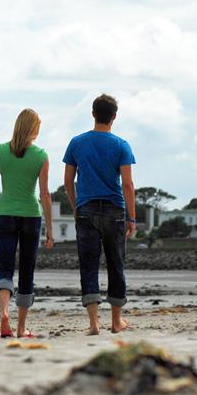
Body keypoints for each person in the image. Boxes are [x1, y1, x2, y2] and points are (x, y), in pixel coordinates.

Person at [63, 93, 136, 335]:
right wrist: (132, 218)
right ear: (114, 116)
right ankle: (116, 322)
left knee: (89, 265)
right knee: (116, 265)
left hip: (86, 208)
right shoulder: (121, 145)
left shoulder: (77, 142)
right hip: (115, 209)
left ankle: (94, 324)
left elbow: (68, 181)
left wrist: (76, 208)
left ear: (93, 114)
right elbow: (127, 185)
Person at [0, 108, 54, 339]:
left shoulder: (0, 151)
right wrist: (50, 229)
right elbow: (45, 193)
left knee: (5, 268)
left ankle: (4, 313)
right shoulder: (41, 155)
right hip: (31, 216)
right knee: (26, 271)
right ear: (34, 129)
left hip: (5, 214)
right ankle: (22, 328)